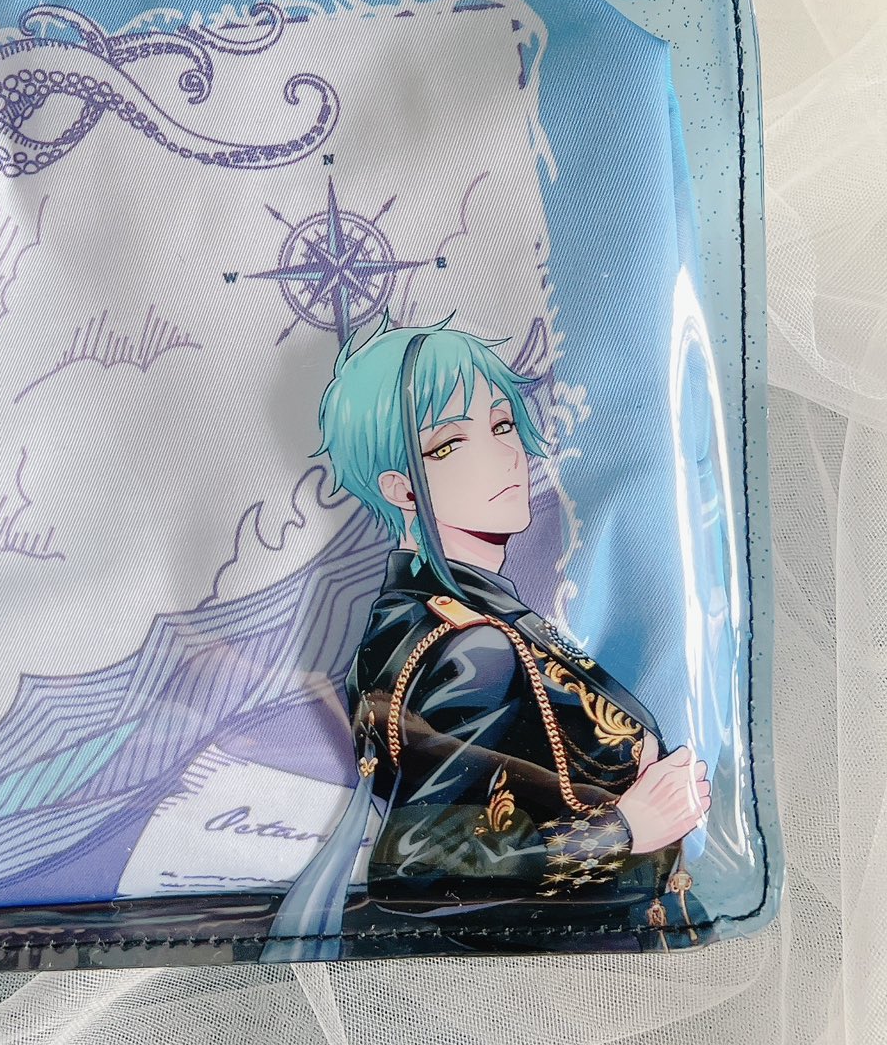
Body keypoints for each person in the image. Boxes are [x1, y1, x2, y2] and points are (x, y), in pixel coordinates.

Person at [263, 320, 710, 958]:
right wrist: (626, 828)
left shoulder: (410, 618)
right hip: (562, 968)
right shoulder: (473, 644)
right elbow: (416, 869)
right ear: (401, 488)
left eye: (501, 425)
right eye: (450, 443)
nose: (503, 455)